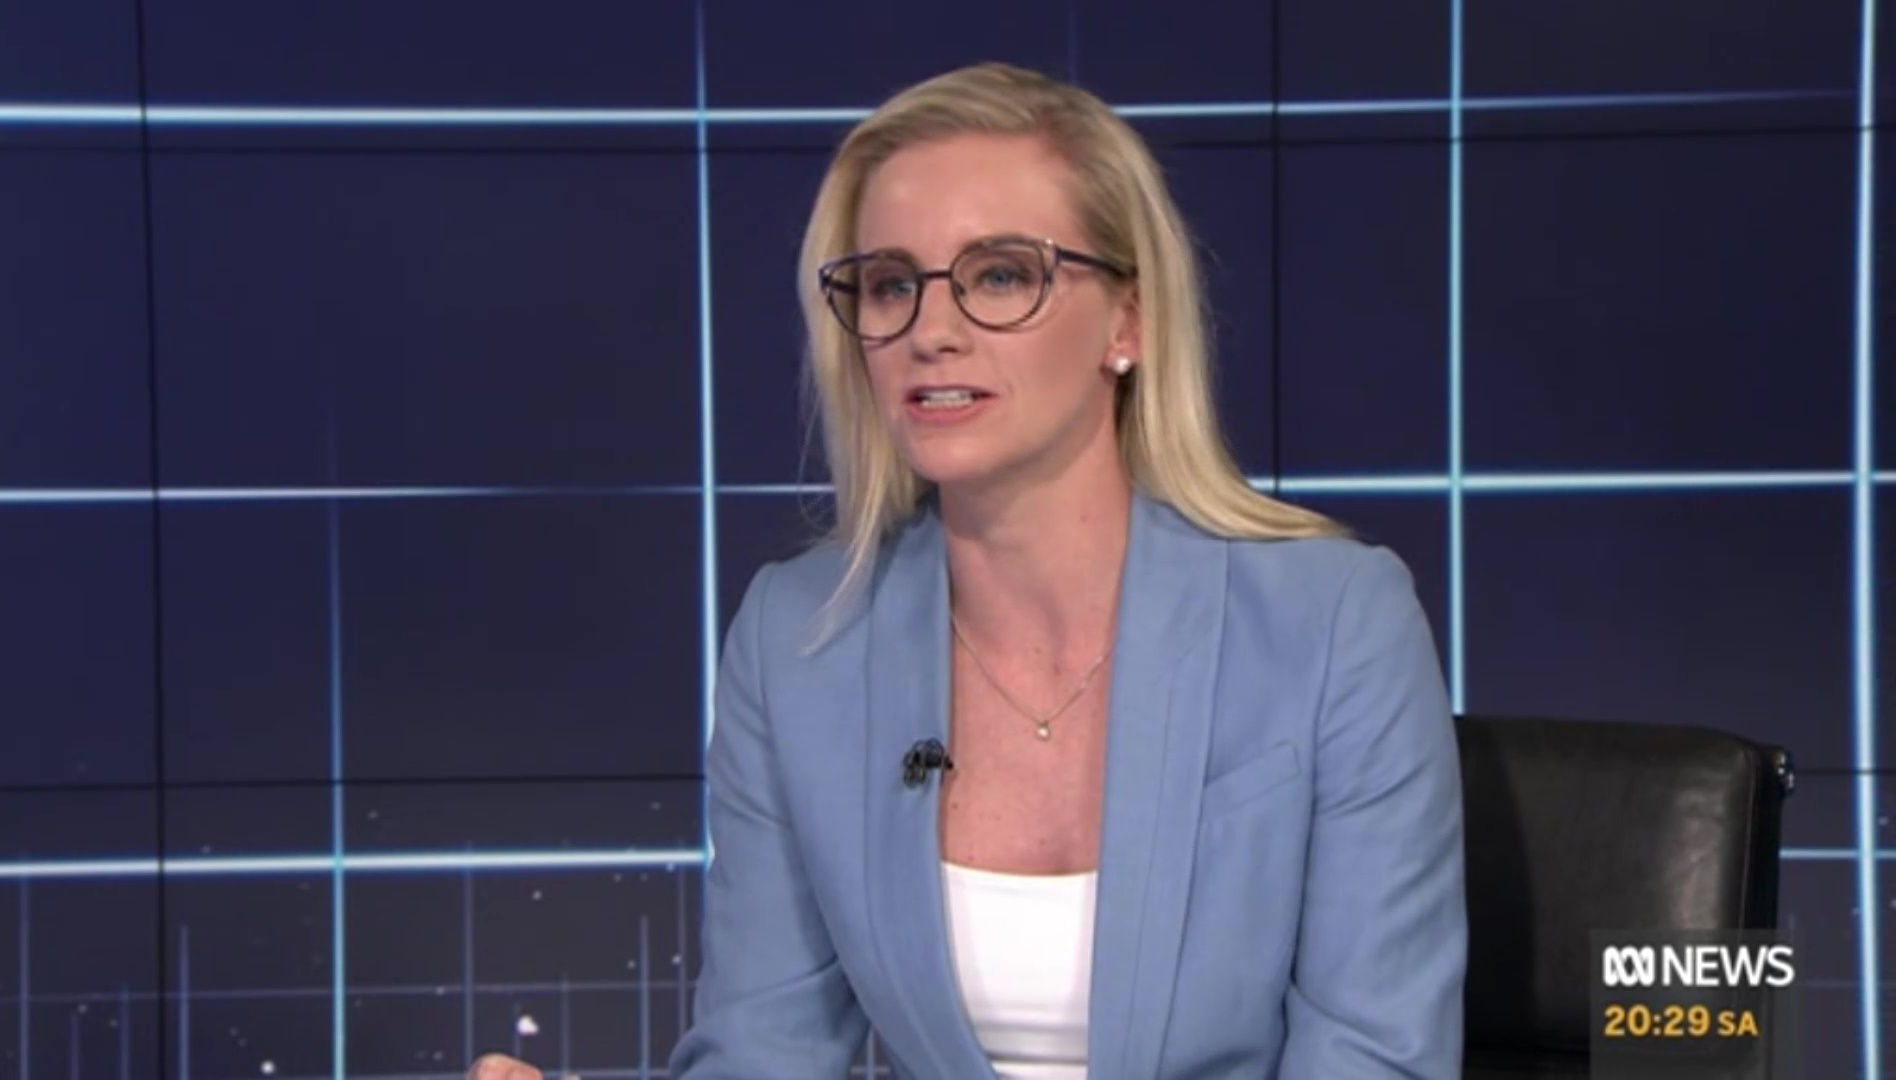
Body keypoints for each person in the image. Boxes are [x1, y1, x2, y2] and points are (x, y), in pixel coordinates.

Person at [472, 60, 1463, 1080]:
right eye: (891, 285)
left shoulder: (1334, 624)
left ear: (1127, 322)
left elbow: (1377, 1057)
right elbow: (764, 1054)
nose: (931, 332)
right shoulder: (800, 641)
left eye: (1000, 275)